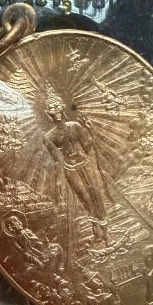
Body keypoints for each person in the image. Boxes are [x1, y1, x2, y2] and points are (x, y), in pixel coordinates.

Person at [43, 91, 109, 245]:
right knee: (85, 199)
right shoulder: (48, 137)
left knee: (96, 196)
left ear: (62, 106)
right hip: (70, 169)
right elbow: (57, 160)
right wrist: (58, 183)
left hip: (85, 164)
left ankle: (106, 233)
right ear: (48, 112)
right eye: (51, 108)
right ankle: (96, 231)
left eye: (57, 106)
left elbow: (87, 147)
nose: (55, 110)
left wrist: (91, 131)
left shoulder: (75, 126)